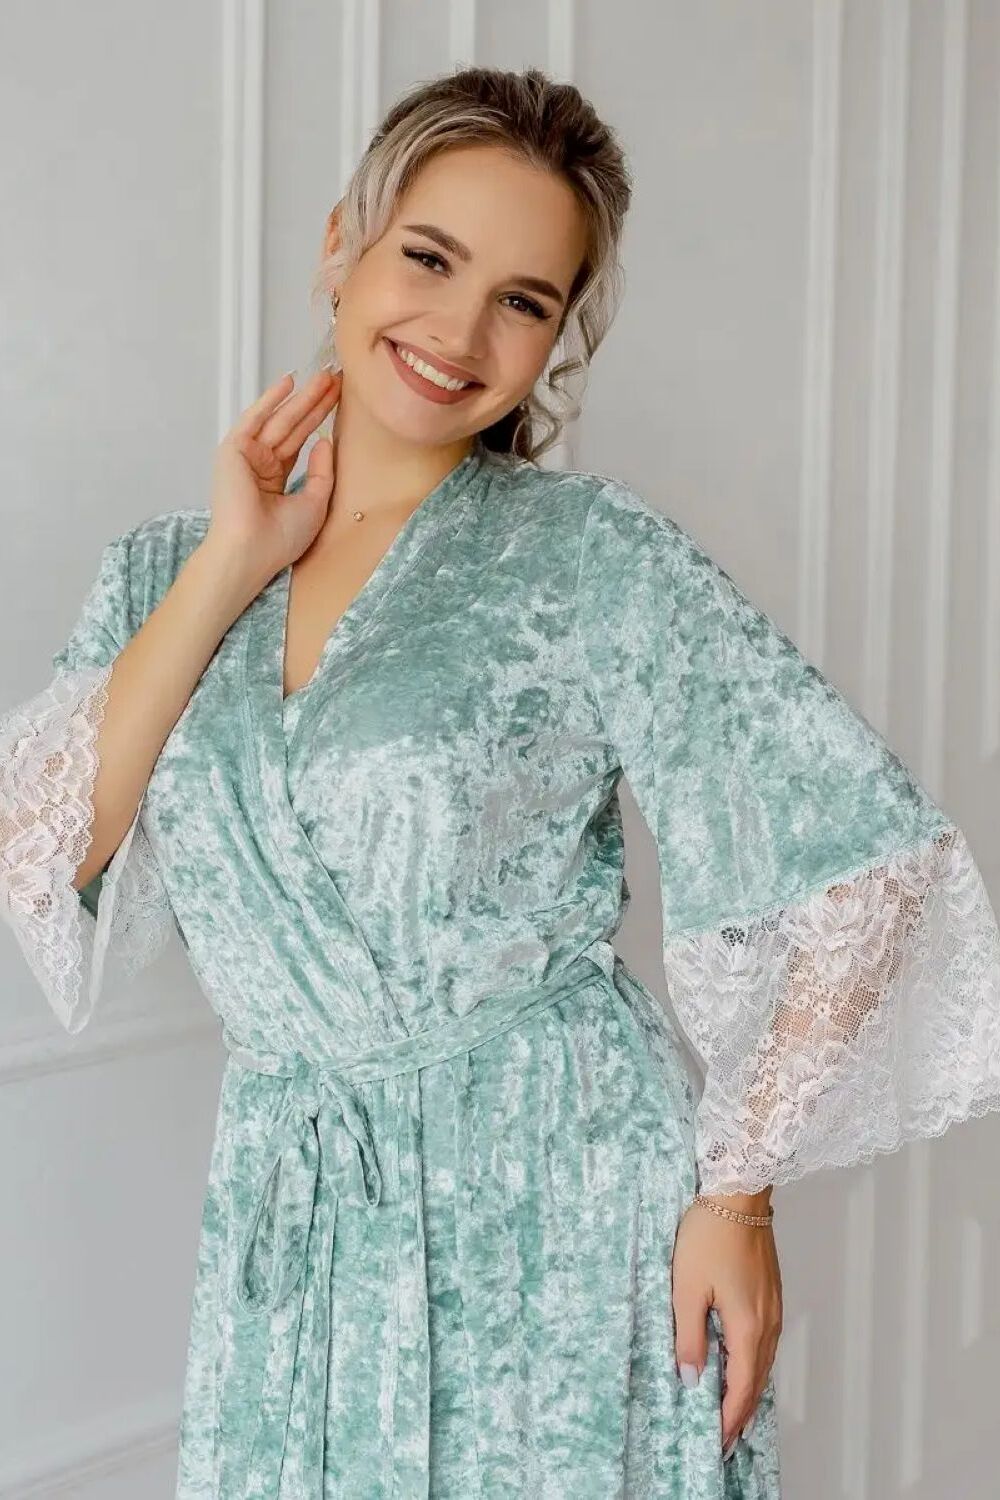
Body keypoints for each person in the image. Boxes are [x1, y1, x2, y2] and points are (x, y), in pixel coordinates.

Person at [3, 64, 999, 1500]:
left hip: (558, 1192)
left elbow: (866, 861)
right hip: (294, 1207)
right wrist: (231, 560)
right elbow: (48, 849)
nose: (460, 333)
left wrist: (738, 1193)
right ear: (340, 245)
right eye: (429, 258)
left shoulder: (588, 558)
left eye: (523, 300)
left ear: (558, 335)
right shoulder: (166, 570)